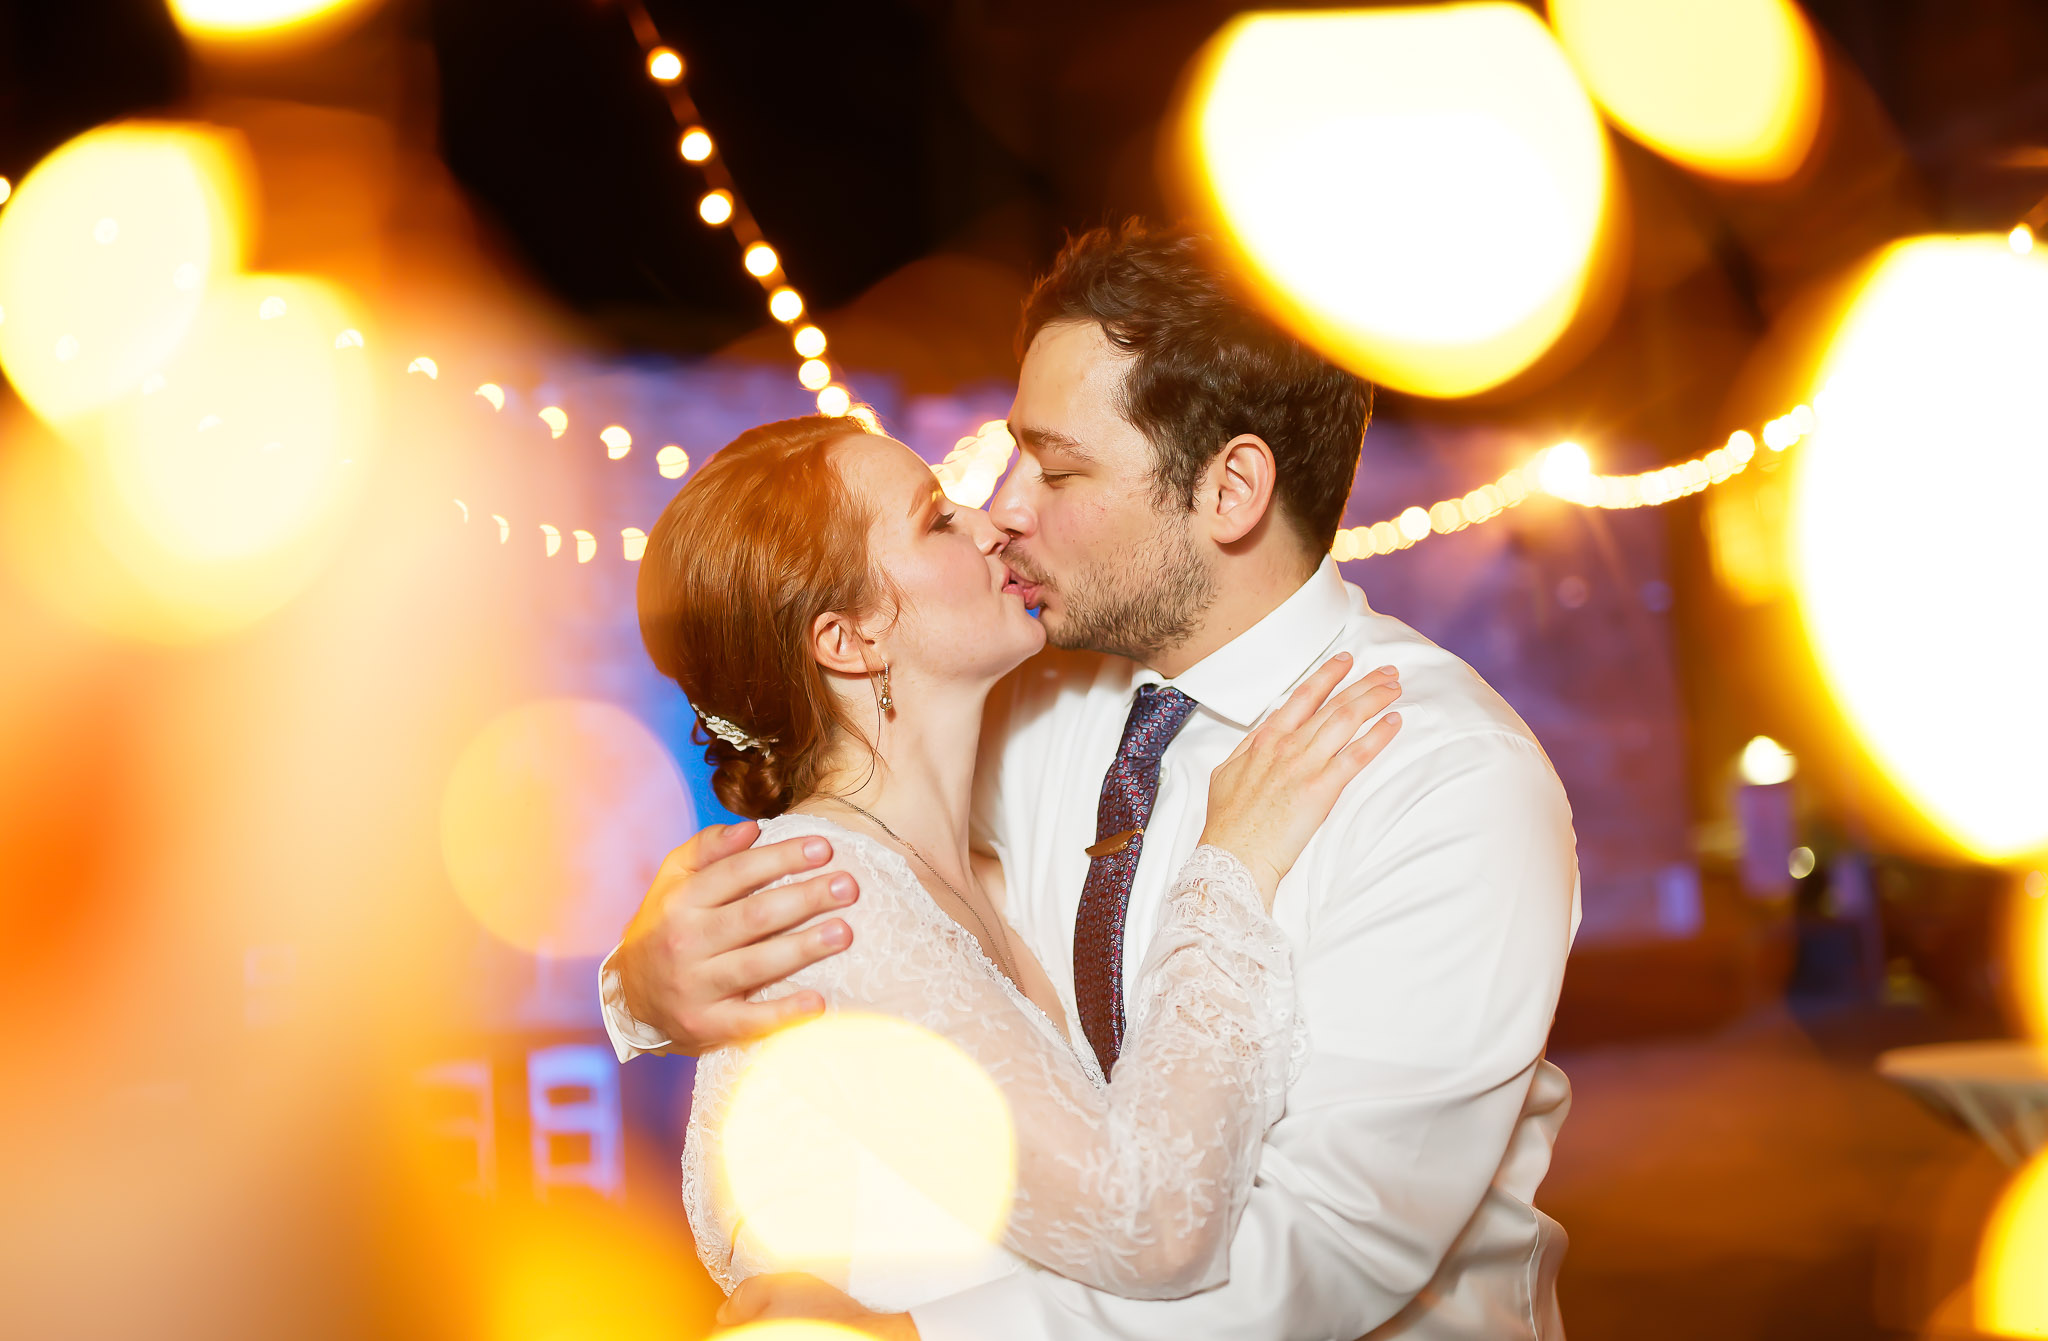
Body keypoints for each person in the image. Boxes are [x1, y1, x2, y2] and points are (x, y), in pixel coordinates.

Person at [604, 222, 1581, 1341]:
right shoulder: (1034, 703)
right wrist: (647, 983)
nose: (1005, 506)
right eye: (1005, 459)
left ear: (1229, 491)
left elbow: (1321, 1255)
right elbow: (849, 875)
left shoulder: (1434, 776)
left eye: (1056, 466)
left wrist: (917, 1339)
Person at [634, 413, 1404, 1317]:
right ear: (848, 640)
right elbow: (1149, 1225)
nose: (991, 521)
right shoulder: (823, 899)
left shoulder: (1000, 875)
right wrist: (1231, 861)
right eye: (935, 519)